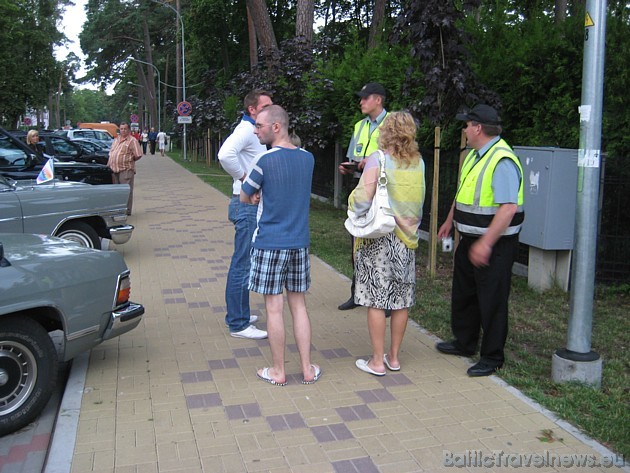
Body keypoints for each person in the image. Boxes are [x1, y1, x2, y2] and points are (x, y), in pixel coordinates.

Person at [436, 104, 524, 377]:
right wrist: (451, 220)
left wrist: (486, 243)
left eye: (466, 125)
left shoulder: (502, 160)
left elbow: (508, 208)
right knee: (465, 293)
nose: (464, 130)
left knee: (492, 300)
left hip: (494, 245)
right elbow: (463, 192)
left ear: (478, 128)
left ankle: (492, 356)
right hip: (469, 239)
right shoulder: (475, 156)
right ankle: (465, 342)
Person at [240, 105, 320, 385]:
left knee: (274, 308)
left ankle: (278, 370)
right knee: (299, 306)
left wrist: (257, 196)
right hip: (299, 243)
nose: (255, 130)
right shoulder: (308, 159)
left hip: (270, 242)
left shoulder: (264, 161)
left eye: (259, 125)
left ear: (276, 126)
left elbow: (244, 195)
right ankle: (307, 369)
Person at [350, 112, 426, 376]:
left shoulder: (378, 159)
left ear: (387, 132)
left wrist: (352, 206)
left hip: (379, 240)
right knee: (401, 300)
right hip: (407, 240)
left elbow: (361, 200)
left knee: (376, 300)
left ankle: (376, 361)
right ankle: (393, 357)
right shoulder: (419, 163)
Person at [218, 89, 273, 340]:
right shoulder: (246, 130)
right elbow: (224, 154)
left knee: (243, 261)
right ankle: (239, 324)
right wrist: (244, 180)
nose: (271, 108)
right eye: (266, 105)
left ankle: (238, 313)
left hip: (247, 204)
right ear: (253, 109)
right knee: (243, 263)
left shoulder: (251, 129)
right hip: (247, 204)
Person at [337, 82, 389, 311]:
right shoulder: (360, 126)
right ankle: (358, 293)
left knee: (384, 245)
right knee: (357, 243)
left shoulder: (392, 125)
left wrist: (373, 162)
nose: (361, 102)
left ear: (378, 99)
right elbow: (354, 156)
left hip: (383, 193)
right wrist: (348, 167)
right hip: (361, 190)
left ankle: (387, 299)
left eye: (365, 98)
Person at [107, 122, 143, 215]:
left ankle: (126, 211)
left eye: (125, 129)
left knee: (126, 191)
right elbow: (111, 153)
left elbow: (138, 154)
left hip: (126, 170)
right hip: (114, 170)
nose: (123, 130)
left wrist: (129, 160)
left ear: (128, 130)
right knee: (117, 191)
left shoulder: (132, 140)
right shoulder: (116, 140)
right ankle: (119, 209)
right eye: (121, 129)